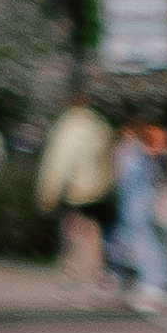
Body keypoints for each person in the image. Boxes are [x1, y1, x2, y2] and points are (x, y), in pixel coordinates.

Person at [36, 96, 117, 294]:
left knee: (73, 230)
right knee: (92, 231)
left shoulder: (68, 127)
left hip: (75, 188)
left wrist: (49, 194)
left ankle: (73, 272)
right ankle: (96, 273)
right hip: (98, 188)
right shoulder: (99, 125)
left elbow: (59, 162)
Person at [109, 117, 167, 317]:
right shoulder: (140, 151)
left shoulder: (131, 150)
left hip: (136, 204)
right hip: (137, 203)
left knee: (144, 244)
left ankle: (154, 287)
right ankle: (149, 284)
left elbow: (125, 178)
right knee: (137, 243)